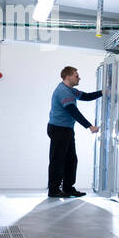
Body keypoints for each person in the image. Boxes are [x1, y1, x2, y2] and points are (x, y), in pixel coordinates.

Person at [47, 66, 101, 198]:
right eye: (76, 75)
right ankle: (53, 190)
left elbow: (86, 96)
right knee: (58, 160)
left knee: (71, 160)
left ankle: (68, 188)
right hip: (59, 129)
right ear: (68, 76)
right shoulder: (63, 91)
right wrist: (89, 126)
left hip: (66, 129)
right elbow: (73, 111)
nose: (79, 78)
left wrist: (104, 91)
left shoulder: (70, 90)